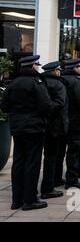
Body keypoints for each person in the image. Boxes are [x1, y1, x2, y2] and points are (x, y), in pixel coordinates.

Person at [1, 55, 54, 211]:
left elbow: (4, 107)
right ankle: (30, 199)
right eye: (36, 66)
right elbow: (46, 106)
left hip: (17, 128)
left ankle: (16, 200)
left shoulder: (13, 84)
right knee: (32, 163)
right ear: (32, 66)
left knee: (18, 162)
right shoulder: (36, 82)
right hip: (34, 127)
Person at [40, 61, 68, 200]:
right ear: (54, 71)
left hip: (43, 125)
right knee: (52, 157)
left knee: (49, 157)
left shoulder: (40, 82)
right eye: (58, 70)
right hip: (55, 126)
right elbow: (60, 104)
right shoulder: (57, 84)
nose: (60, 72)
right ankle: (48, 187)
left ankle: (52, 182)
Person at [61, 58, 80, 189]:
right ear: (75, 68)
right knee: (73, 151)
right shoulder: (77, 81)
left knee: (60, 151)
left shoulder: (61, 78)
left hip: (62, 120)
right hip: (76, 120)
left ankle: (56, 178)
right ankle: (71, 179)